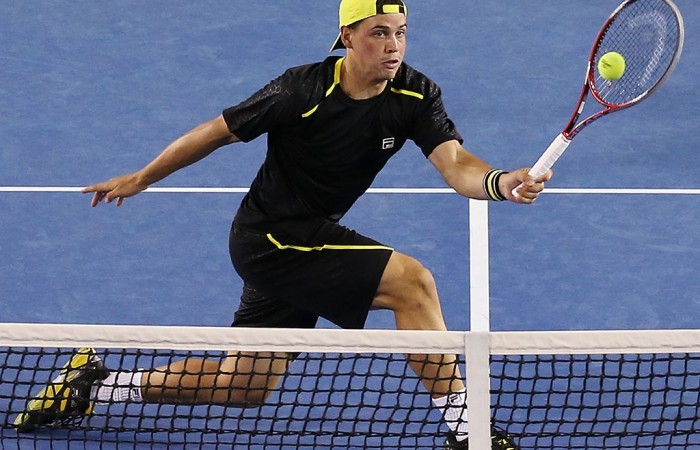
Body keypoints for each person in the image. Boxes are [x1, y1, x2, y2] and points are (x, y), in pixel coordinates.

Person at [15, 0, 549, 448]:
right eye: (379, 33)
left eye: (402, 34)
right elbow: (217, 131)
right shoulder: (302, 90)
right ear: (347, 36)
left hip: (311, 239)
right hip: (269, 242)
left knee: (244, 385)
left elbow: (455, 163)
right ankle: (469, 428)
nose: (393, 46)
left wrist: (500, 182)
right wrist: (143, 177)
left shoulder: (414, 94)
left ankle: (98, 386)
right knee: (412, 284)